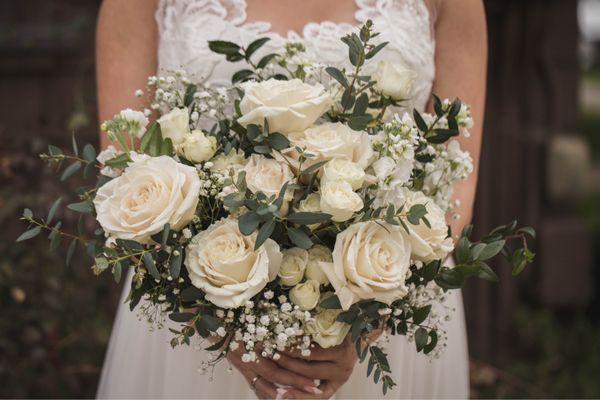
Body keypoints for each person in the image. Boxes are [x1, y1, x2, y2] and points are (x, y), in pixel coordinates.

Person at [95, 0, 487, 398]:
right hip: (196, 326)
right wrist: (220, 323)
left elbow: (455, 181)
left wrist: (367, 318)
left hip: (384, 312)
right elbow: (125, 172)